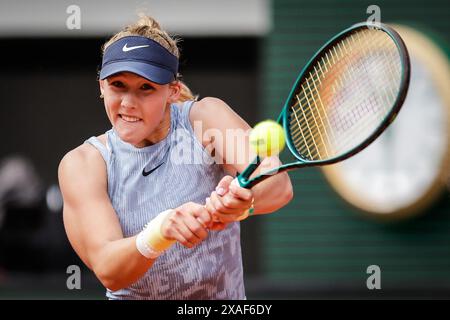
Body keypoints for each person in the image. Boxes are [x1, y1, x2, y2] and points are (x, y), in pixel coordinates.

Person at [58, 15, 293, 300]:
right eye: (118, 84)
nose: (128, 102)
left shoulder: (205, 119)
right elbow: (109, 269)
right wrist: (160, 231)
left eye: (146, 87)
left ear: (173, 91)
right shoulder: (83, 164)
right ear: (101, 86)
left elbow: (278, 186)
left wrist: (242, 205)